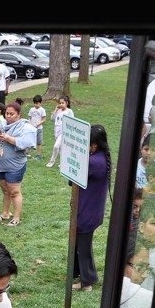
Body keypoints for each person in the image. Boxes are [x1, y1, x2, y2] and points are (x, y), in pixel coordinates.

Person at [72, 125, 112, 293]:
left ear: (94, 145)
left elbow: (72, 178)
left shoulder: (94, 162)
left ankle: (87, 281)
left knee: (83, 247)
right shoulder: (101, 158)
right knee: (80, 244)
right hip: (91, 210)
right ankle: (80, 273)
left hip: (86, 212)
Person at [0, 102, 35, 227]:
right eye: (7, 113)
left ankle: (16, 218)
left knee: (14, 192)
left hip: (15, 165)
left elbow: (26, 143)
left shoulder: (24, 126)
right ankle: (5, 213)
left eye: (11, 114)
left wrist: (8, 138)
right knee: (5, 191)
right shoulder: (2, 124)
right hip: (1, 165)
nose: (8, 116)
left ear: (18, 115)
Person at [46, 95, 74, 169]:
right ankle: (63, 162)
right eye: (60, 103)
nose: (61, 104)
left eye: (63, 103)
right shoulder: (58, 111)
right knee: (61, 148)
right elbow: (52, 118)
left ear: (67, 103)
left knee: (56, 146)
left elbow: (72, 121)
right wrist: (55, 110)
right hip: (57, 132)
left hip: (63, 132)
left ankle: (52, 161)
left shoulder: (69, 111)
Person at [29, 95, 47, 160]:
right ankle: (27, 153)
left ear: (40, 103)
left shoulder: (42, 110)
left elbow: (44, 119)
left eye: (37, 103)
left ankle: (38, 155)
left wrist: (37, 124)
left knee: (39, 142)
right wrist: (29, 124)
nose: (35, 105)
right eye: (34, 103)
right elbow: (30, 118)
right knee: (29, 140)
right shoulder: (31, 109)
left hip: (39, 128)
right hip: (32, 128)